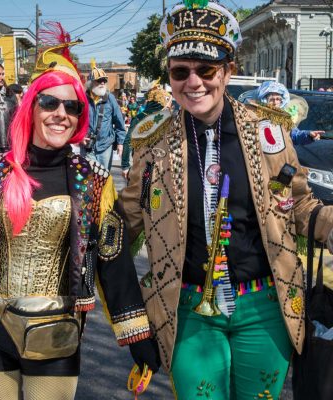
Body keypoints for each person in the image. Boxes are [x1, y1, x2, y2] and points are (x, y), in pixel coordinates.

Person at [118, 2, 333, 399]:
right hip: (187, 311)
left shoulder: (269, 130)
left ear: (228, 70)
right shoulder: (151, 142)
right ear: (170, 77)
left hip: (265, 307)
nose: (194, 82)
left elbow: (300, 205)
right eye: (181, 72)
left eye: (206, 69)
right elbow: (122, 224)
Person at [0, 33, 159, 400]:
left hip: (56, 331)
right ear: (31, 107)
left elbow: (112, 260)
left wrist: (136, 334)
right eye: (50, 102)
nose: (61, 114)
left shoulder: (95, 181)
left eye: (73, 108)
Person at [121, 83, 172, 180]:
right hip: (142, 166)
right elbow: (128, 142)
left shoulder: (167, 119)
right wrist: (125, 166)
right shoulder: (140, 118)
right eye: (167, 106)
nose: (169, 108)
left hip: (162, 167)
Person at [84, 63, 126, 170]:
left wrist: (121, 143)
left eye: (104, 80)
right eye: (99, 80)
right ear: (90, 83)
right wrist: (79, 137)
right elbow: (75, 122)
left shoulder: (110, 98)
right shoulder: (82, 99)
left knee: (103, 179)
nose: (102, 83)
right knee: (89, 180)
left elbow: (119, 123)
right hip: (87, 147)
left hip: (105, 147)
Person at [256, 81, 325, 144]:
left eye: (278, 99)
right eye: (271, 99)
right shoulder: (256, 115)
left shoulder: (284, 118)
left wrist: (309, 134)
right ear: (264, 100)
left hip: (279, 156)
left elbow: (294, 135)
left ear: (282, 101)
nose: (275, 102)